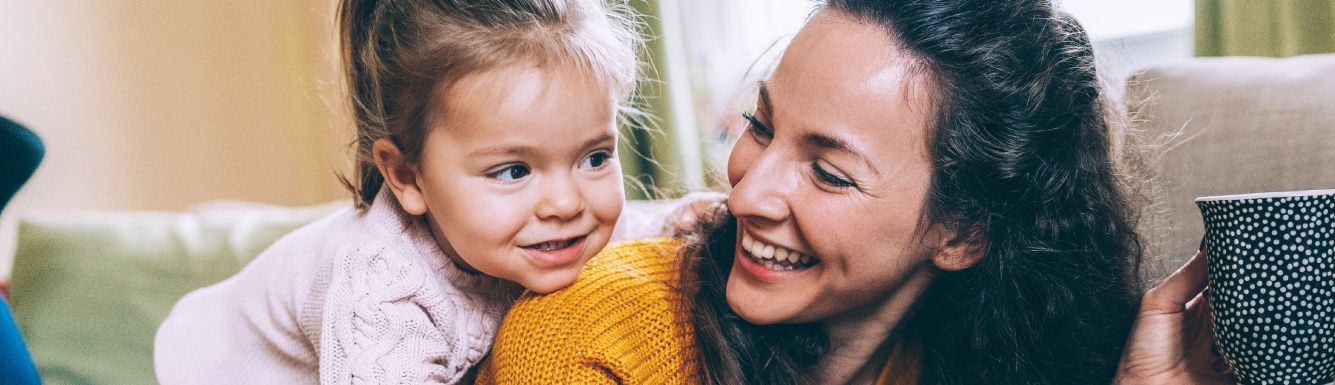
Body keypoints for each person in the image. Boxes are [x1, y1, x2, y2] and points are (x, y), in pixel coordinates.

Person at [477, 0, 1234, 384]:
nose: (748, 195)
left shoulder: (958, 357)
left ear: (963, 232)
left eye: (829, 172)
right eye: (761, 126)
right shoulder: (586, 338)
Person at [153, 0, 643, 383]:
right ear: (407, 177)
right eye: (513, 171)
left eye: (595, 158)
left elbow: (656, 226)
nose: (567, 202)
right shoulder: (380, 295)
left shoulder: (572, 222)